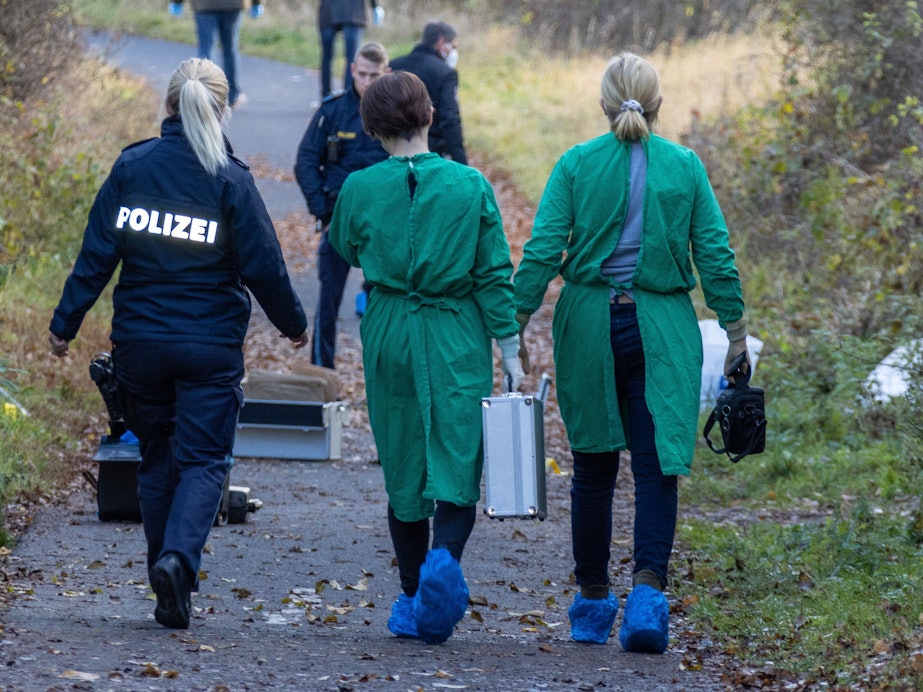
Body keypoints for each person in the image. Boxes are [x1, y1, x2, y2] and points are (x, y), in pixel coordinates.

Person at [48, 58, 309, 630]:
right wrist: (294, 325)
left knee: (156, 457)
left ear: (169, 105)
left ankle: (164, 581)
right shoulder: (230, 178)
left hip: (140, 344)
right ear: (221, 110)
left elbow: (96, 256)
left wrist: (64, 325)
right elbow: (264, 266)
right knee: (205, 460)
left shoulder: (131, 168)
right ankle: (178, 562)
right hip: (208, 348)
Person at [513, 53, 750, 653]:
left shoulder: (575, 164)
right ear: (658, 103)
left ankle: (593, 605)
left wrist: (511, 324)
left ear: (602, 105)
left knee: (592, 467)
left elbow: (542, 253)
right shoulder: (686, 167)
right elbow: (716, 256)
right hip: (664, 328)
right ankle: (647, 600)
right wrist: (737, 332)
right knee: (655, 467)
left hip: (590, 324)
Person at [327, 71, 524, 644]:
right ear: (430, 116)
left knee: (403, 459)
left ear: (371, 127)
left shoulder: (359, 188)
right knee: (459, 454)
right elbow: (492, 274)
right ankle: (445, 563)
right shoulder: (470, 186)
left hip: (390, 329)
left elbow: (344, 244)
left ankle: (413, 594)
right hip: (455, 330)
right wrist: (509, 348)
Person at [294, 41, 389, 369]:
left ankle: (384, 371)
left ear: (385, 73)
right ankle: (322, 371)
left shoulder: (394, 114)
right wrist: (321, 210)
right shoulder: (332, 111)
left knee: (387, 302)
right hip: (338, 220)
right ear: (352, 71)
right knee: (328, 301)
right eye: (362, 74)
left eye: (374, 75)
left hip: (383, 225)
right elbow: (305, 161)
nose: (367, 81)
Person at [389, 21, 466, 164]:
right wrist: (462, 164)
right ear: (442, 43)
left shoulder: (393, 65)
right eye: (453, 47)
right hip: (429, 152)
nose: (453, 52)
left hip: (391, 151)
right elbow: (450, 120)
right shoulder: (445, 73)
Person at [168, 0, 264, 108]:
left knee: (206, 48)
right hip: (232, 5)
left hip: (204, 5)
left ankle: (205, 93)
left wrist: (177, 2)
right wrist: (256, 3)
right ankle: (232, 95)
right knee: (230, 48)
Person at [318, 0, 384, 98]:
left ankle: (326, 98)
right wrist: (375, 6)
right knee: (351, 58)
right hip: (353, 11)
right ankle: (349, 98)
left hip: (328, 10)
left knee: (327, 57)